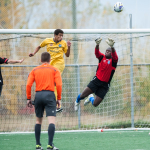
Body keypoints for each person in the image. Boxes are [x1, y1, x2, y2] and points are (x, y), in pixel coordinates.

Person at [29, 29, 71, 113]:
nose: (61, 37)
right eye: (59, 35)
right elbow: (39, 46)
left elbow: (67, 55)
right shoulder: (47, 41)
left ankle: (56, 105)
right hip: (49, 65)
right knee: (47, 82)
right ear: (55, 35)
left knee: (54, 82)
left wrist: (69, 47)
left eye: (62, 35)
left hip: (59, 64)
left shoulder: (63, 43)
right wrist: (33, 53)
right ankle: (46, 101)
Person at [26, 52, 62, 150]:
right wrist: (59, 98)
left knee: (38, 121)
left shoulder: (34, 70)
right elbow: (58, 85)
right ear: (50, 60)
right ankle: (50, 145)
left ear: (41, 60)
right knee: (51, 122)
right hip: (50, 95)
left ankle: (38, 145)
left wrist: (28, 98)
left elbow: (28, 85)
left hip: (38, 96)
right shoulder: (55, 69)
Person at [74, 38, 118, 111]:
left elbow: (116, 57)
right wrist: (97, 45)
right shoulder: (102, 58)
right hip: (96, 81)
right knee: (83, 95)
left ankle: (91, 98)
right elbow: (97, 53)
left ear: (111, 53)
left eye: (109, 51)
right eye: (106, 51)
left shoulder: (113, 62)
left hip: (105, 85)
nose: (107, 52)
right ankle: (77, 101)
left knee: (95, 104)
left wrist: (112, 47)